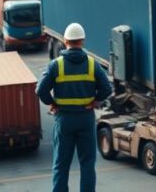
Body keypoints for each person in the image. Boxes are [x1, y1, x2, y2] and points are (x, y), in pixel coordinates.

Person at [37, 23, 113, 192]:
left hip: (64, 119)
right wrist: (96, 101)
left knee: (61, 165)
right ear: (82, 41)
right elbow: (107, 88)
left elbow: (40, 90)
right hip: (85, 118)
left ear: (65, 41)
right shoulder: (93, 65)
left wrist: (52, 103)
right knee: (87, 164)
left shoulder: (56, 65)